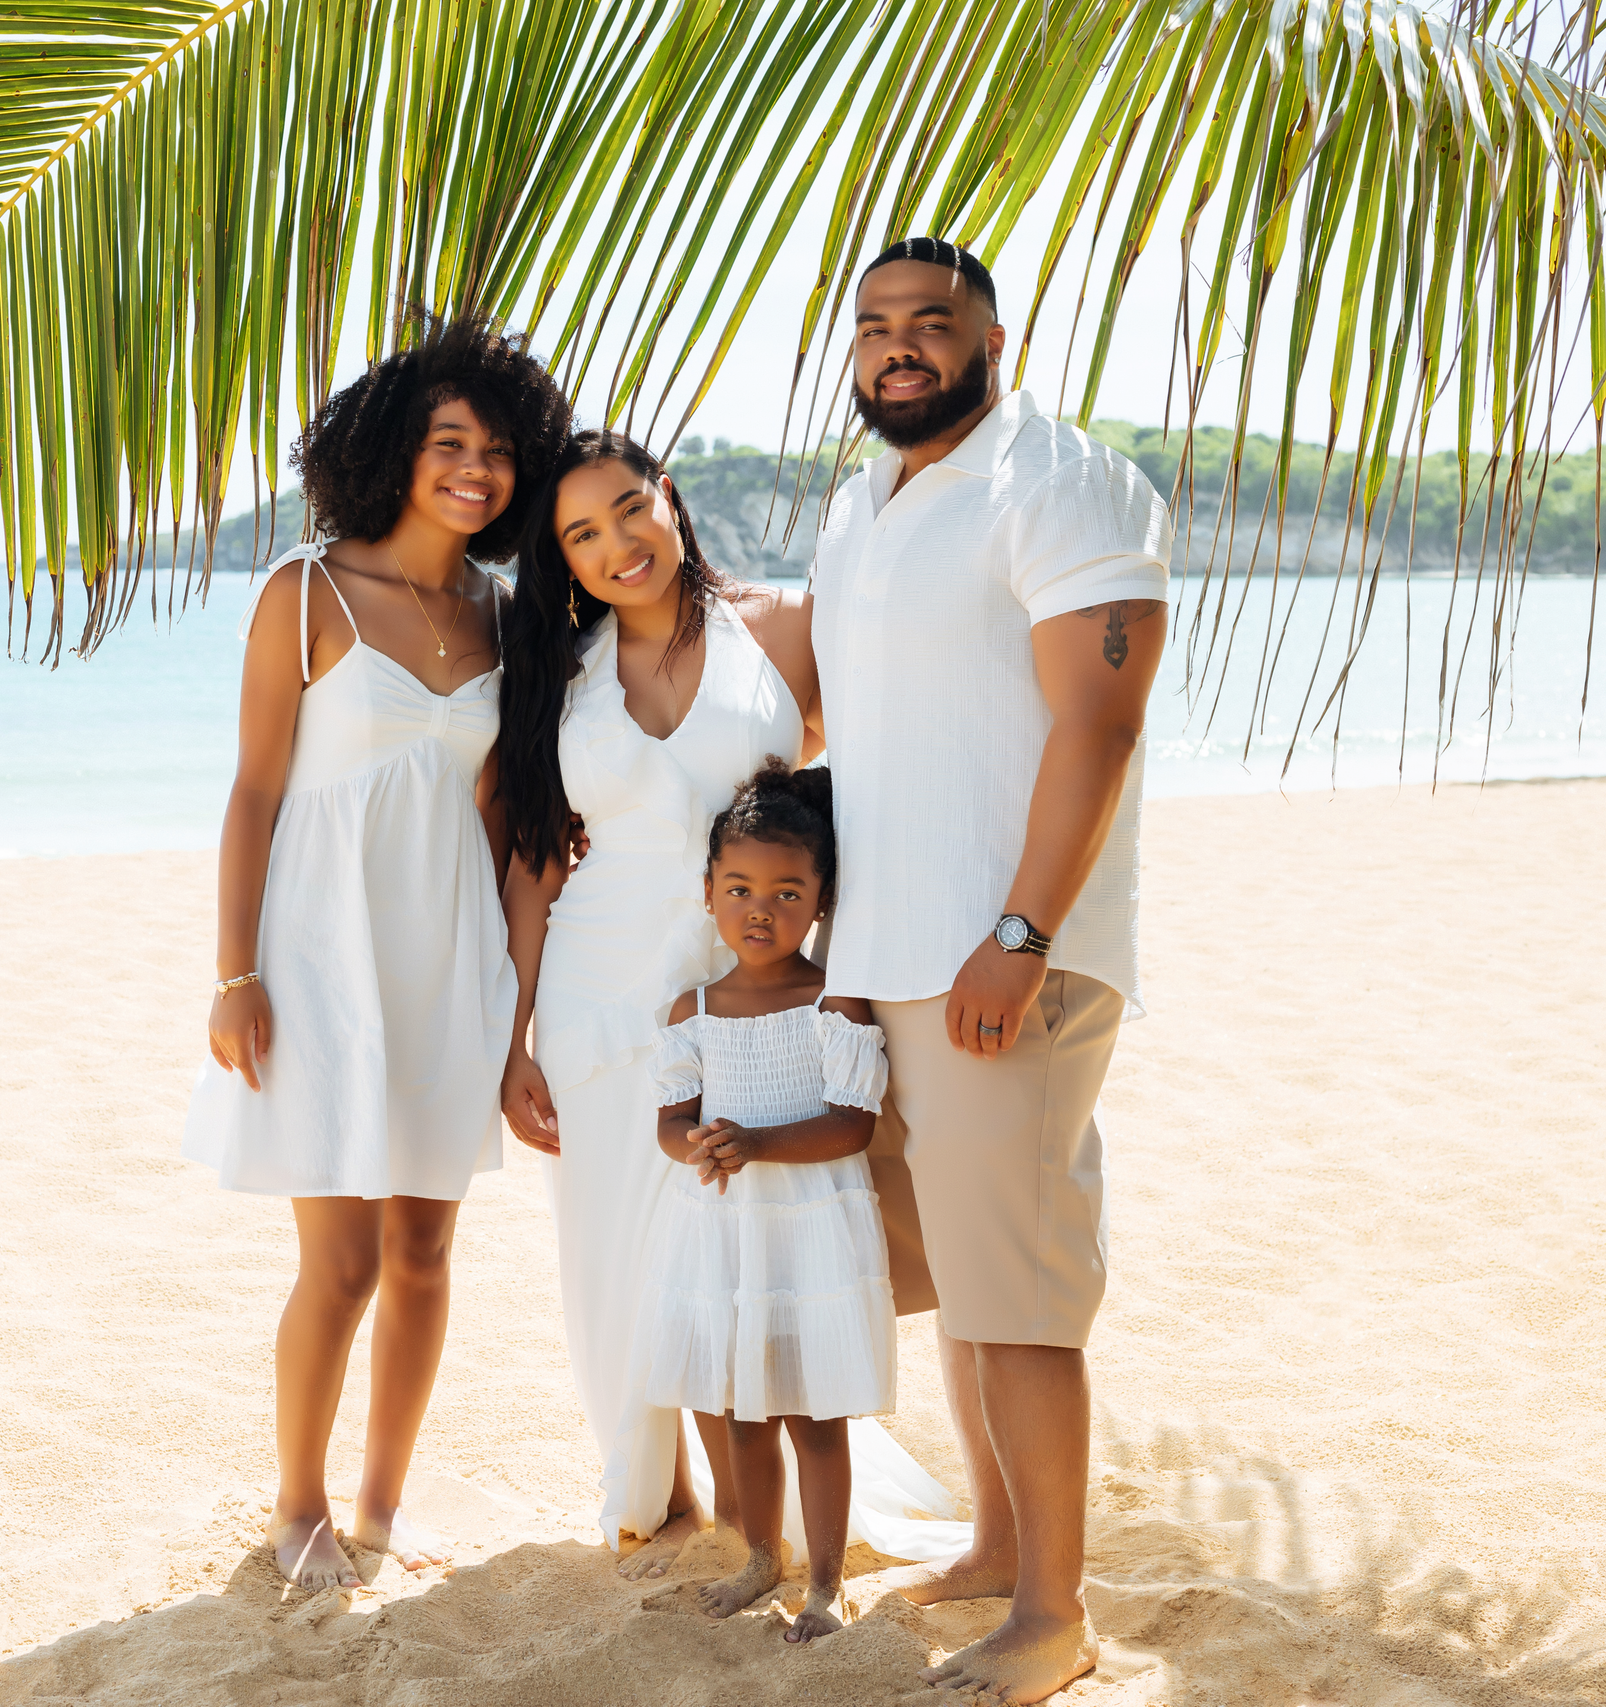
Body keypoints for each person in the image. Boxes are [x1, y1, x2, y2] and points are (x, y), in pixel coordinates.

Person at [497, 431, 968, 1578]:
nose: (617, 545)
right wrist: (514, 1037)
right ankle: (656, 1492)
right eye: (581, 535)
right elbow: (533, 862)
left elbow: (873, 786)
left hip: (750, 993)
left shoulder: (782, 630)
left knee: (748, 1233)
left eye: (627, 510)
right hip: (595, 996)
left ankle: (778, 1514)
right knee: (616, 1250)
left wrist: (849, 975)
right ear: (560, 559)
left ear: (669, 498)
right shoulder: (562, 673)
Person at [812, 236, 1170, 1703]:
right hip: (892, 954)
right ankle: (991, 1542)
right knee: (962, 1278)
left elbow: (1099, 722)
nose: (901, 347)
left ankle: (1051, 1611)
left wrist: (1020, 933)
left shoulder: (1062, 482)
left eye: (932, 323)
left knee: (1017, 1291)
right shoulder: (864, 503)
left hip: (1008, 955)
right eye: (877, 327)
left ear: (993, 338)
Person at [181, 316, 572, 1594]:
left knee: (422, 1256)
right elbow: (250, 796)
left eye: (498, 450)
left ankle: (382, 1511)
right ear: (395, 451)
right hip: (318, 957)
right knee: (338, 1263)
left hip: (447, 959)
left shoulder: (510, 621)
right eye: (448, 442)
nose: (475, 469)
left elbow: (516, 833)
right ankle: (296, 1509)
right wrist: (233, 974)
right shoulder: (308, 592)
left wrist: (518, 1022)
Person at [642, 760, 892, 1644]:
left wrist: (758, 1142)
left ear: (822, 899)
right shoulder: (694, 1007)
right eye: (740, 887)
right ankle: (759, 1553)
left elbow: (852, 1124)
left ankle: (825, 1581)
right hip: (722, 1235)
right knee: (737, 1401)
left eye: (789, 892)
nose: (762, 909)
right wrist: (698, 1142)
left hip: (811, 1232)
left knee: (814, 1409)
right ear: (708, 890)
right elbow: (672, 1119)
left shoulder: (834, 999)